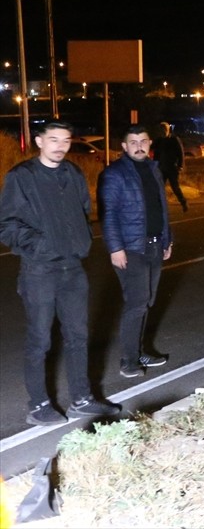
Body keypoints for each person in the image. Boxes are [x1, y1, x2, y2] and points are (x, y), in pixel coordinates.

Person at [0, 121, 121, 425]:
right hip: (39, 269)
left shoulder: (73, 173)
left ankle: (82, 399)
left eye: (66, 140)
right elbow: (7, 224)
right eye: (53, 139)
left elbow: (83, 211)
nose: (60, 146)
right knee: (40, 339)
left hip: (73, 268)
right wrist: (41, 246)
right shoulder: (22, 176)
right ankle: (38, 405)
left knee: (78, 336)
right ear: (39, 141)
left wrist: (80, 241)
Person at [100, 125, 173, 380]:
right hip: (130, 248)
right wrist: (115, 248)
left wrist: (167, 239)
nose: (139, 146)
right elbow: (108, 214)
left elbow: (161, 208)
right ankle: (128, 360)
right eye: (133, 142)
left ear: (150, 143)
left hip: (154, 244)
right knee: (137, 303)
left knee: (146, 301)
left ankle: (140, 352)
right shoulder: (114, 174)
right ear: (124, 146)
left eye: (143, 141)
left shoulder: (153, 169)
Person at [150, 121, 187, 212]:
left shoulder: (174, 140)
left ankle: (183, 202)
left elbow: (180, 153)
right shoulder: (159, 141)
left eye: (164, 129)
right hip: (162, 168)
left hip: (172, 168)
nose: (162, 132)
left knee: (175, 187)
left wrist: (180, 166)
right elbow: (151, 148)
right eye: (160, 130)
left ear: (167, 130)